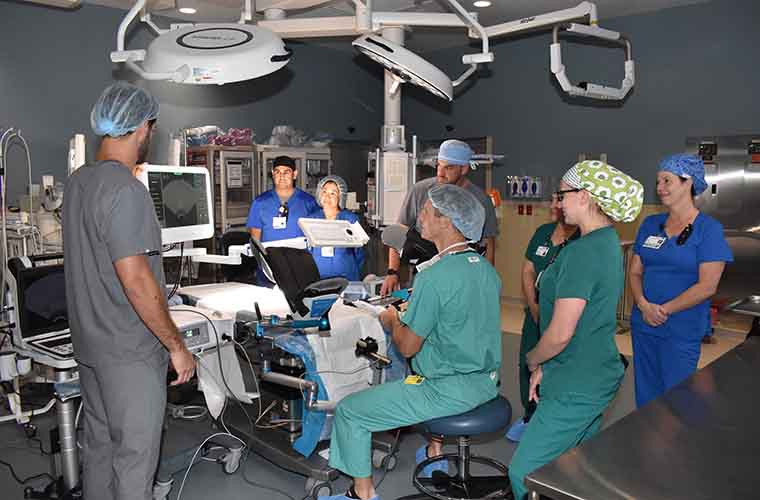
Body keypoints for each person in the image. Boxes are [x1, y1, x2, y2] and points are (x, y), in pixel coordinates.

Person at [318, 184, 502, 500]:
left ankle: (362, 494)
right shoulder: (485, 269)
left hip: (447, 389)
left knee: (351, 411)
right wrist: (416, 313)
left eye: (428, 211)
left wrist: (392, 320)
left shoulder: (435, 277)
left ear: (448, 221)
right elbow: (460, 322)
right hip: (485, 381)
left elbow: (407, 347)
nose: (421, 216)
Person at [63, 82, 196, 500]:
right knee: (135, 458)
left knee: (100, 448)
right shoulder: (127, 191)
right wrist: (176, 345)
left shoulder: (79, 183)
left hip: (91, 346)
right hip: (129, 354)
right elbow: (137, 281)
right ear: (142, 128)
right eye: (150, 128)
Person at [508, 160, 644, 500]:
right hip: (591, 371)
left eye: (562, 195)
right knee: (574, 469)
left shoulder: (583, 252)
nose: (558, 202)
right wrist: (548, 367)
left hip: (578, 383)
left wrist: (533, 359)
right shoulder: (606, 241)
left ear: (584, 196)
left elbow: (560, 334)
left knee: (523, 473)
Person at [629, 154, 732, 408]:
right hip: (644, 323)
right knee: (646, 392)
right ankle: (646, 444)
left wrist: (663, 310)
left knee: (677, 395)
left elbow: (708, 285)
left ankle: (675, 446)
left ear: (688, 183)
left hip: (681, 327)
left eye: (667, 180)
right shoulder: (651, 224)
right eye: (658, 182)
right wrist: (643, 304)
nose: (659, 188)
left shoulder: (709, 230)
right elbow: (634, 272)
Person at [380, 139, 498, 296]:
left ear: (464, 169)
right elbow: (400, 231)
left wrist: (485, 282)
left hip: (463, 277)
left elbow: (488, 244)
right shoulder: (420, 191)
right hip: (425, 271)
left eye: (448, 168)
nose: (440, 174)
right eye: (438, 166)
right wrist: (392, 272)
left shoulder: (480, 200)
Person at [505, 192, 579, 443]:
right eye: (554, 200)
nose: (554, 205)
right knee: (528, 362)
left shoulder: (582, 239)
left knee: (556, 368)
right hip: (535, 315)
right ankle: (530, 415)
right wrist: (534, 306)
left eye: (559, 200)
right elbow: (527, 270)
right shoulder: (543, 233)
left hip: (564, 317)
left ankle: (552, 422)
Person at [246, 155, 318, 244]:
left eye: (286, 172)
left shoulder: (309, 202)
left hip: (300, 256)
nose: (282, 176)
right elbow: (255, 240)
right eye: (277, 172)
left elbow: (316, 236)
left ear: (294, 174)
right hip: (271, 256)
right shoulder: (260, 202)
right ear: (273, 174)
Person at [308, 175, 365, 281]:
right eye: (324, 192)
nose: (327, 196)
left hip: (346, 276)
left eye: (333, 193)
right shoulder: (311, 219)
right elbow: (307, 251)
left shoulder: (351, 220)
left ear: (341, 197)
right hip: (318, 276)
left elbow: (359, 253)